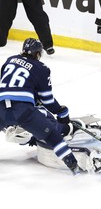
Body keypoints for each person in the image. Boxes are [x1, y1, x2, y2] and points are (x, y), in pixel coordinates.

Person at [0, 38, 82, 175]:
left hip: (0, 109)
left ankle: (27, 133)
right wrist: (62, 112)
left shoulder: (10, 60)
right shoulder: (42, 68)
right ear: (38, 53)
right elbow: (47, 100)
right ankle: (75, 168)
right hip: (23, 111)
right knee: (52, 136)